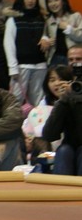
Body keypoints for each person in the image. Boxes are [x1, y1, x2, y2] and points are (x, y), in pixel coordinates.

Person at [4, 0, 48, 106]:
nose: (30, 0)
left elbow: (48, 34)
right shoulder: (13, 20)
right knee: (15, 100)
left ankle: (37, 124)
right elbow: (9, 44)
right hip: (21, 66)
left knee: (39, 100)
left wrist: (45, 37)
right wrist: (12, 67)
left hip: (40, 65)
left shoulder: (42, 18)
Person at [41, 47, 82, 175]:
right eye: (71, 60)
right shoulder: (68, 92)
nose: (74, 63)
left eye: (79, 59)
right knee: (64, 150)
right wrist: (63, 99)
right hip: (70, 146)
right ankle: (62, 194)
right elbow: (49, 134)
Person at [22, 63, 73, 163]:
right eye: (52, 80)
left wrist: (66, 97)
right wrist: (28, 137)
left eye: (61, 79)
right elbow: (32, 123)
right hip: (46, 144)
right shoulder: (44, 102)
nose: (57, 83)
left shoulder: (75, 100)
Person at [40, 0, 82, 68]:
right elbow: (45, 36)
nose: (53, 4)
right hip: (54, 59)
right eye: (50, 1)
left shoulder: (75, 16)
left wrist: (68, 29)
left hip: (73, 58)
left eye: (56, 0)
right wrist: (46, 41)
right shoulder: (49, 20)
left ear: (63, 1)